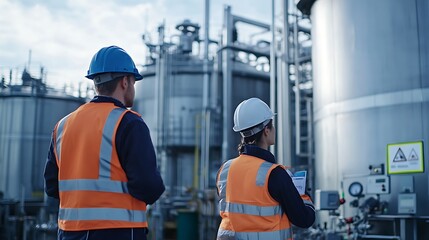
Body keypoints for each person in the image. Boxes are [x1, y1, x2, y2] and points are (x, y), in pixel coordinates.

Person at [44, 46, 165, 240]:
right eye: (134, 82)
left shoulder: (62, 125)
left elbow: (52, 187)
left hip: (69, 233)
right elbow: (148, 187)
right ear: (125, 82)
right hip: (118, 231)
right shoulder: (129, 123)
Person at [216, 97, 315, 240]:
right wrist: (302, 194)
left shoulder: (225, 170)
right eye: (272, 126)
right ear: (266, 130)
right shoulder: (275, 174)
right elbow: (304, 219)